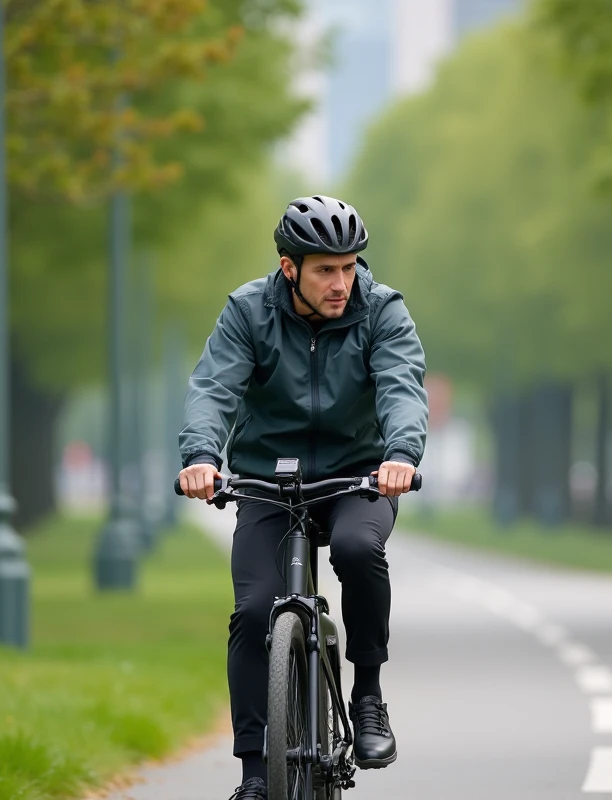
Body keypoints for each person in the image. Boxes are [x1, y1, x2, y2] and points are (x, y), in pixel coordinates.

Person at [177, 195, 428, 800]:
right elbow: (213, 388)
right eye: (325, 270)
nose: (341, 283)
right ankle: (253, 774)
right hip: (268, 480)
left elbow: (401, 387)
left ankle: (367, 697)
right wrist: (202, 458)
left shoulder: (382, 310)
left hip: (359, 478)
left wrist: (400, 455)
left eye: (349, 267)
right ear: (289, 268)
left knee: (357, 549)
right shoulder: (248, 312)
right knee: (253, 610)